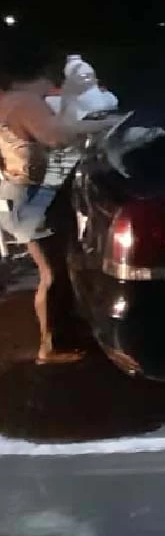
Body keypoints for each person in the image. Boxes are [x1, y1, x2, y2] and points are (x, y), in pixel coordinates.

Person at [0, 49, 117, 363]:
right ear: (39, 76)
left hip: (18, 195)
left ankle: (66, 329)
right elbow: (54, 137)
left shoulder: (7, 101)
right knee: (53, 273)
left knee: (58, 267)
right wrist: (99, 126)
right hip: (36, 199)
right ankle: (52, 346)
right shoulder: (25, 102)